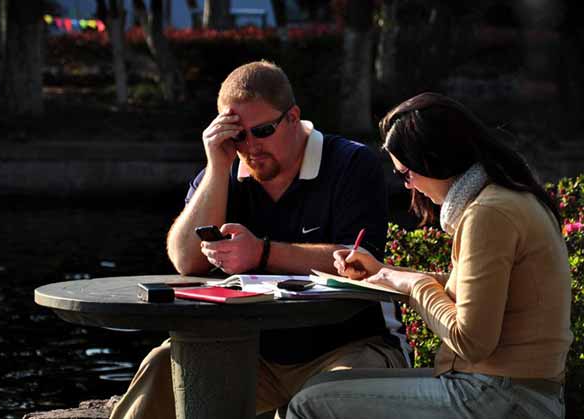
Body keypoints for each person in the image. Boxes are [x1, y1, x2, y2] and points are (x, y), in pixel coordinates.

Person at [109, 61, 409, 419]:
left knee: (328, 397)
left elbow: (361, 261)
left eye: (263, 130)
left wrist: (262, 252)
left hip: (351, 346)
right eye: (237, 135)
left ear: (293, 116)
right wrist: (218, 167)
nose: (251, 146)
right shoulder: (223, 172)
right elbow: (185, 260)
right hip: (251, 353)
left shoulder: (351, 163)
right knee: (163, 366)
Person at [286, 92, 573, 419]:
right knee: (318, 387)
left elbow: (471, 340)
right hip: (515, 390)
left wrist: (414, 283)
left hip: (502, 395)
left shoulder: (489, 213)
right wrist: (384, 272)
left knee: (311, 402)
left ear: (433, 160)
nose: (407, 186)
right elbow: (476, 296)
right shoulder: (507, 199)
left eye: (405, 173)